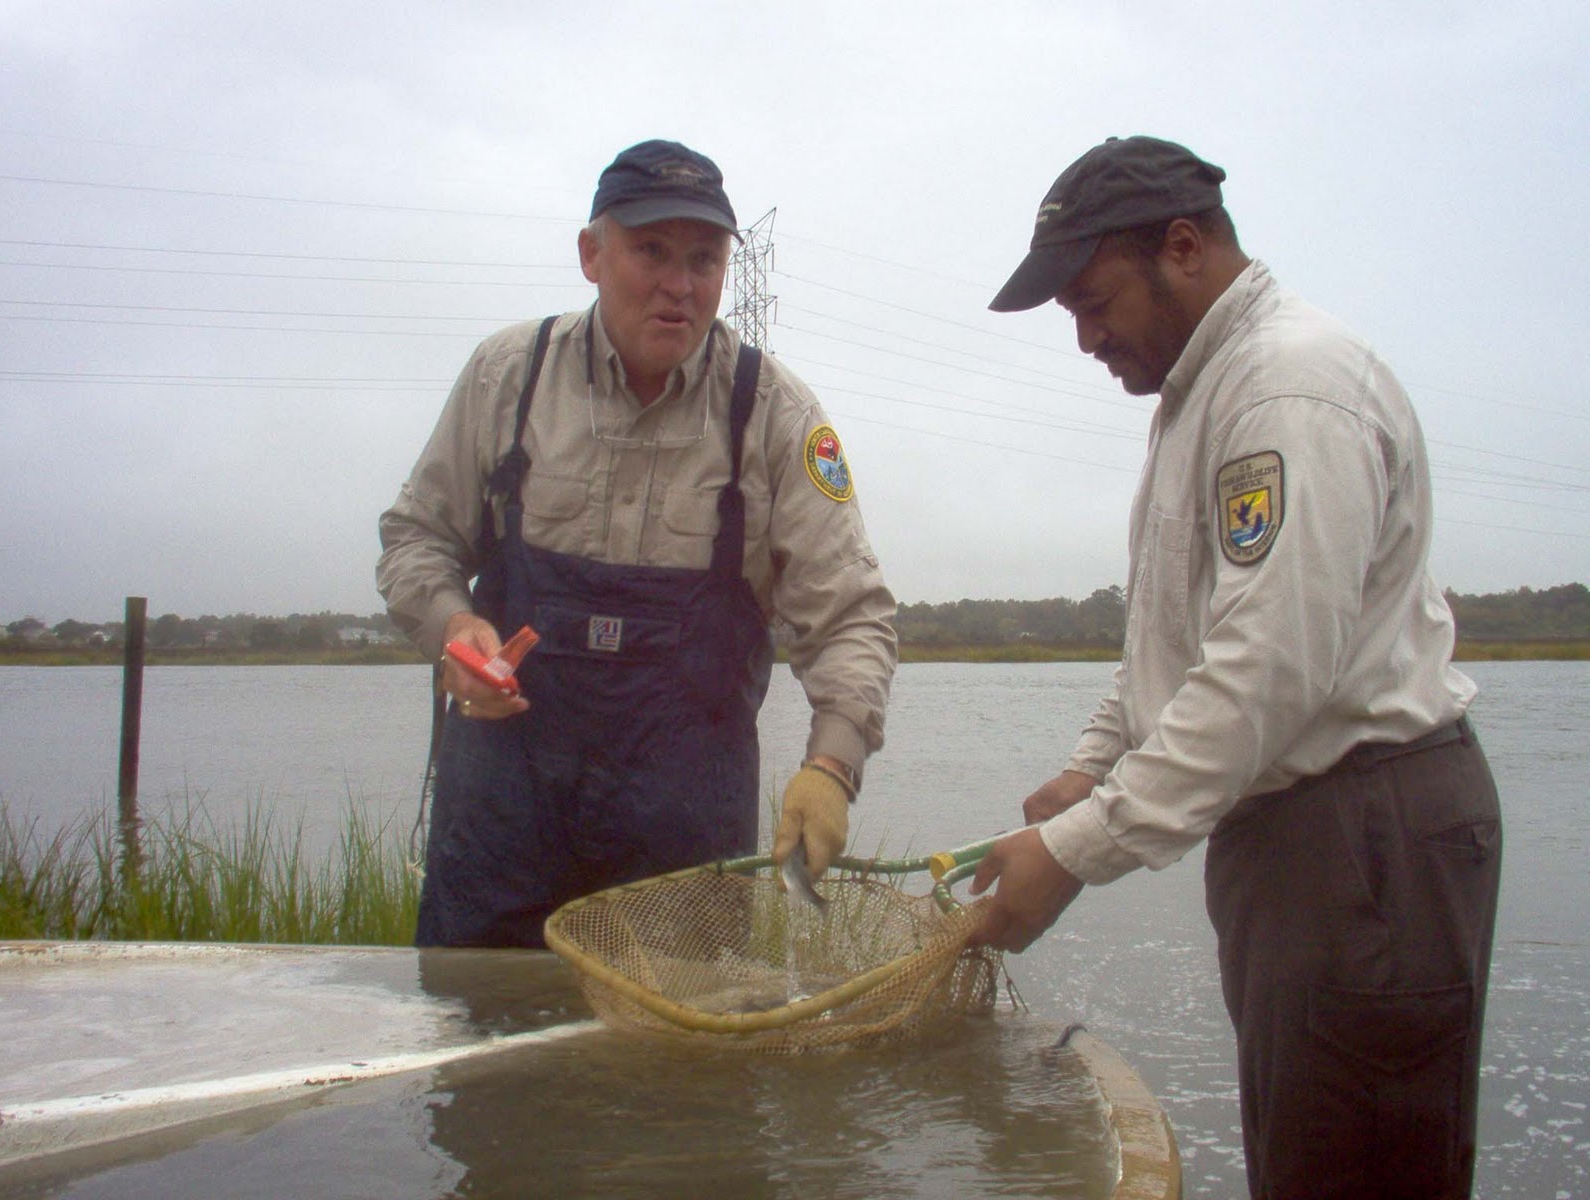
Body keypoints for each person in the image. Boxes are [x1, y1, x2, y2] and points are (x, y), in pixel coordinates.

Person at [971, 135, 1502, 1199]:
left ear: (1182, 248)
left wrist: (1075, 848)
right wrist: (1090, 765)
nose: (1084, 338)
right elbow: (1176, 631)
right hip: (1303, 839)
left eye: (1092, 300)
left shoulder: (1287, 388)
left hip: (1363, 840)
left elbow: (1266, 669)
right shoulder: (1198, 397)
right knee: (1303, 1158)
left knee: (1353, 1174)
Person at [378, 139, 896, 949]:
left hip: (683, 857)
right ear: (591, 253)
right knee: (477, 1053)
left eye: (704, 259)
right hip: (499, 830)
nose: (680, 287)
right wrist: (454, 630)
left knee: (677, 1074)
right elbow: (416, 540)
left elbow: (852, 616)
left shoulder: (777, 414)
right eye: (651, 251)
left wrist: (831, 768)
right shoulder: (505, 378)